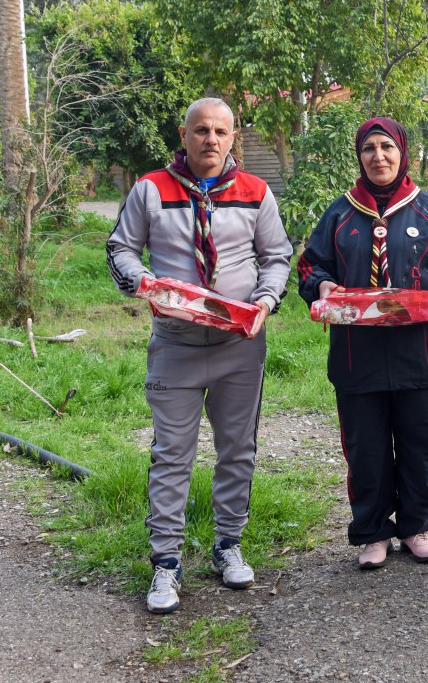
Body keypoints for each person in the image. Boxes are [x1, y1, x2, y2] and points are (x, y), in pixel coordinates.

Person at [106, 97, 292, 614]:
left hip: (239, 345)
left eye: (220, 131)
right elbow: (120, 248)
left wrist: (265, 300)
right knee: (172, 454)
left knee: (238, 449)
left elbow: (277, 256)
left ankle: (228, 544)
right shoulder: (150, 189)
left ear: (233, 138)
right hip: (175, 344)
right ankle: (166, 562)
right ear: (183, 135)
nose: (211, 139)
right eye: (201, 130)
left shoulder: (256, 192)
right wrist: (142, 281)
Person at [297, 117, 428, 570]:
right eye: (369, 148)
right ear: (359, 156)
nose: (378, 156)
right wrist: (321, 287)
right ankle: (373, 532)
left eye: (387, 147)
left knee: (422, 445)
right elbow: (311, 267)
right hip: (358, 359)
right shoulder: (339, 214)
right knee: (366, 449)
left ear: (402, 153)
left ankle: (416, 527)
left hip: (421, 355)